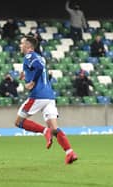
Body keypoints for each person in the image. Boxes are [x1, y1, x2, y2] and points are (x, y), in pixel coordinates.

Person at [14, 36, 78, 164]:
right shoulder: (40, 57)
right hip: (49, 96)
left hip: (38, 96)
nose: (20, 46)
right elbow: (40, 68)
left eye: (21, 44)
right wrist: (25, 74)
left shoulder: (29, 56)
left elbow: (37, 67)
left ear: (28, 46)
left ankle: (44, 131)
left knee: (19, 122)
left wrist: (31, 81)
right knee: (54, 128)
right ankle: (70, 152)